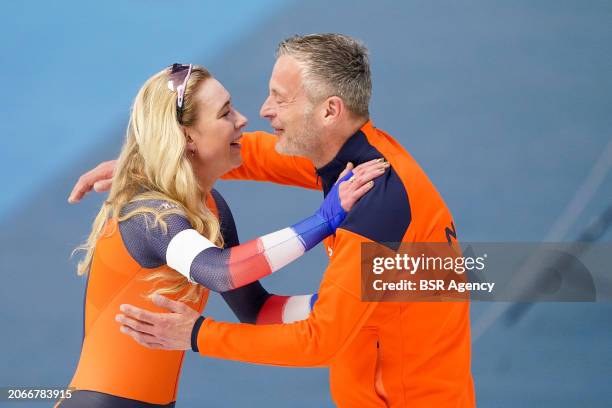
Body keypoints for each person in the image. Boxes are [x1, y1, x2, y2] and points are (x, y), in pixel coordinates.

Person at [71, 34, 475, 407]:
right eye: (227, 113)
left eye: (279, 99)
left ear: (329, 111)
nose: (259, 113)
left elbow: (312, 336)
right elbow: (257, 167)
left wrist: (200, 334)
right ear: (185, 139)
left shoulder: (372, 196)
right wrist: (151, 159)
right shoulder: (353, 163)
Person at [58, 62, 385, 407]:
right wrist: (323, 221)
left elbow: (257, 311)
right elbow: (221, 270)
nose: (245, 119)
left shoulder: (210, 210)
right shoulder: (148, 214)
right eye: (226, 112)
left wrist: (337, 305)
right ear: (186, 138)